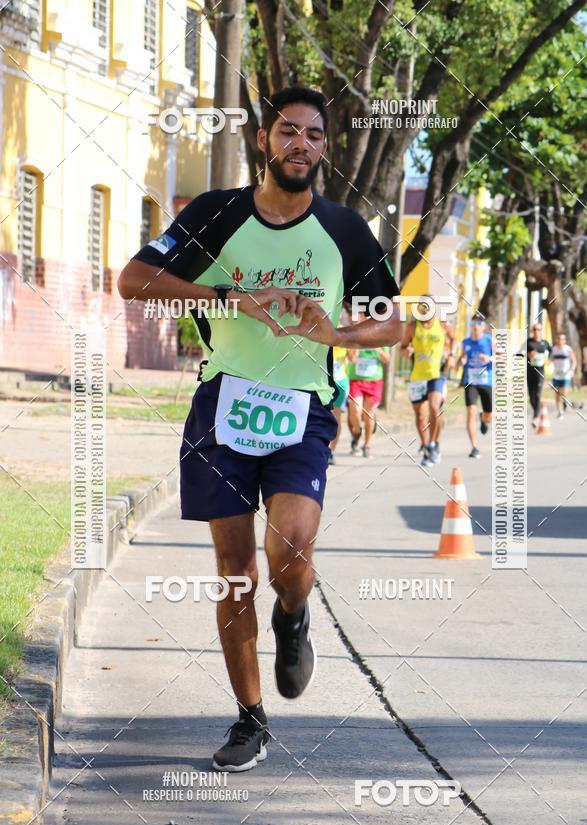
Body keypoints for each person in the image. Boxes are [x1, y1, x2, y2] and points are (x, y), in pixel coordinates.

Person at [117, 86, 400, 772]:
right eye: (287, 132)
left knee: (293, 551)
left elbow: (392, 322)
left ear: (325, 148)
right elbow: (133, 279)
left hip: (303, 406)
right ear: (265, 143)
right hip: (223, 403)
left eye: (313, 133)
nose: (300, 143)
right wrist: (228, 296)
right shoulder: (215, 214)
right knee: (235, 570)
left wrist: (333, 330)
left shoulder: (344, 229)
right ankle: (249, 720)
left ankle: (294, 615)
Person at [401, 298, 455, 466]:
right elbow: (403, 347)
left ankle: (432, 444)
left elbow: (454, 340)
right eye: (420, 309)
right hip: (417, 376)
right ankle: (426, 447)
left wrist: (451, 355)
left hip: (436, 374)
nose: (423, 313)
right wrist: (407, 350)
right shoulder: (412, 328)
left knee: (434, 407)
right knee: (420, 417)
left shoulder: (443, 324)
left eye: (426, 309)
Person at [346, 338, 390, 458]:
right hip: (356, 379)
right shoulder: (356, 334)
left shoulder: (380, 336)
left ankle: (367, 445)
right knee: (355, 409)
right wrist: (355, 350)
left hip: (374, 381)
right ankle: (358, 431)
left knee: (368, 413)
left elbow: (387, 359)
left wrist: (378, 350)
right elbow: (351, 358)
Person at [459, 318, 494, 459]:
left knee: (489, 415)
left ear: (484, 326)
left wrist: (490, 359)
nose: (475, 327)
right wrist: (460, 361)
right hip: (471, 382)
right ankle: (474, 447)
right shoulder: (466, 342)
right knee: (471, 410)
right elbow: (462, 357)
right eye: (473, 324)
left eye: (478, 324)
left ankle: (484, 418)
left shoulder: (490, 341)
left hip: (486, 382)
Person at [526, 322, 552, 429]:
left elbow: (551, 352)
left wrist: (549, 360)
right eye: (535, 329)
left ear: (541, 331)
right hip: (530, 371)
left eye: (539, 329)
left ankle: (536, 417)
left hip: (540, 371)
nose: (537, 331)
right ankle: (536, 410)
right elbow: (521, 353)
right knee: (531, 397)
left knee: (537, 394)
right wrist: (529, 355)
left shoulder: (545, 343)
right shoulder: (528, 342)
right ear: (533, 331)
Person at [329, 345, 350, 464]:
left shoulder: (346, 328)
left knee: (336, 416)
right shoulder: (322, 327)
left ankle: (331, 451)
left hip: (339, 381)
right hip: (323, 380)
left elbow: (353, 358)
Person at [551, 332, 577, 417]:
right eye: (559, 338)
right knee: (557, 392)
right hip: (556, 374)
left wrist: (572, 370)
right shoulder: (554, 349)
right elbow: (552, 358)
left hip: (566, 374)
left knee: (564, 391)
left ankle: (564, 401)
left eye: (562, 339)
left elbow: (574, 361)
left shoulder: (568, 349)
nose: (560, 340)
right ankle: (560, 411)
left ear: (564, 340)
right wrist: (549, 362)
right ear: (556, 340)